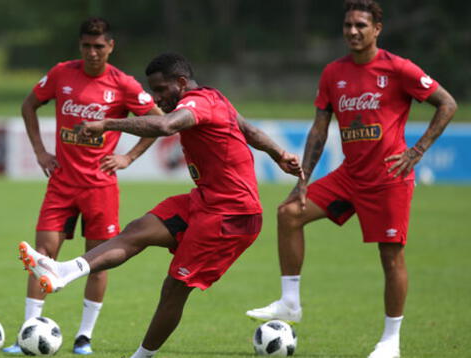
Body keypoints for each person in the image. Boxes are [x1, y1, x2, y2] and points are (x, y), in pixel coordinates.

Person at [17, 52, 304, 358]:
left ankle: (141, 356)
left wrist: (108, 123)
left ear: (181, 83)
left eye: (161, 89)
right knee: (138, 229)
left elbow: (167, 126)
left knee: (174, 289)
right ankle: (63, 271)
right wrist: (279, 154)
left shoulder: (199, 103)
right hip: (205, 201)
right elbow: (250, 131)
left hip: (232, 215)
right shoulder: (215, 98)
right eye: (153, 90)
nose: (157, 97)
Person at [245, 1, 457, 358]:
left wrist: (416, 152)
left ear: (377, 29)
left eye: (361, 25)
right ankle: (290, 303)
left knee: (391, 258)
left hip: (389, 180)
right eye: (347, 25)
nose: (353, 31)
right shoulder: (333, 73)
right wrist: (303, 180)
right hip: (348, 176)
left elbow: (446, 103)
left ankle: (391, 341)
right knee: (288, 213)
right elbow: (318, 129)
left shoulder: (398, 68)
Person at [3, 17, 163, 355]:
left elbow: (158, 120)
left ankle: (84, 337)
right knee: (41, 257)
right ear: (80, 45)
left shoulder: (123, 83)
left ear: (110, 47)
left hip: (100, 187)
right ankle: (28, 333)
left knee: (98, 259)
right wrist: (40, 151)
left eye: (99, 46)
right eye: (87, 46)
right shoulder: (62, 73)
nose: (92, 52)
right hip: (61, 182)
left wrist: (129, 157)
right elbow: (28, 105)